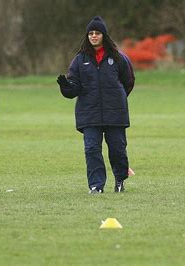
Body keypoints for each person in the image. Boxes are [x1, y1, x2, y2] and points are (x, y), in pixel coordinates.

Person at [57, 16, 135, 194]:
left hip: (115, 114)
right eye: (90, 33)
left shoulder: (119, 58)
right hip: (89, 113)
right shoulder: (79, 60)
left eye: (97, 33)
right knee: (92, 149)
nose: (93, 36)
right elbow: (73, 89)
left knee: (118, 149)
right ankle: (96, 186)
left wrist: (118, 98)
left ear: (104, 35)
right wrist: (65, 87)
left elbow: (128, 82)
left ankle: (120, 179)